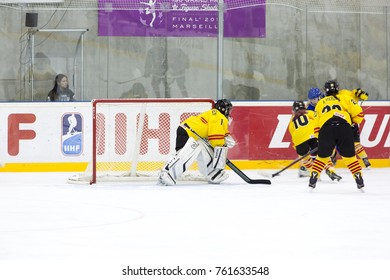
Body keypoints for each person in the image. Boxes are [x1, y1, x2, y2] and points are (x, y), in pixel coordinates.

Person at [158, 99, 236, 186]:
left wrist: (224, 137)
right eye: (228, 109)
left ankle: (213, 173)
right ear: (223, 109)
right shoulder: (219, 117)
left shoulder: (213, 114)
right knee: (186, 154)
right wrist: (221, 147)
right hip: (190, 133)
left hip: (187, 130)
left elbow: (215, 132)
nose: (229, 112)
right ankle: (167, 173)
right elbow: (215, 137)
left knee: (201, 148)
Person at [309, 80, 365, 189]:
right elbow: (359, 114)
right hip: (344, 127)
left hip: (326, 128)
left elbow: (316, 124)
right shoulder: (346, 98)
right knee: (350, 158)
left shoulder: (320, 103)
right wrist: (353, 121)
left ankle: (314, 176)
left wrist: (318, 138)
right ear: (337, 89)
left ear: (325, 91)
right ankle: (358, 177)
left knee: (322, 157)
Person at [289, 100, 341, 181]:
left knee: (305, 158)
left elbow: (293, 135)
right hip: (314, 135)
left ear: (293, 110)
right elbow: (319, 122)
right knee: (323, 155)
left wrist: (300, 151)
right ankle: (330, 170)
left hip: (299, 141)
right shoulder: (310, 112)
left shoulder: (291, 121)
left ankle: (314, 172)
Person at [337, 86, 371, 168]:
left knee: (335, 142)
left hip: (343, 123)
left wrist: (360, 93)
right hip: (347, 122)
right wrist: (360, 93)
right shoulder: (342, 93)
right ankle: (364, 158)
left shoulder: (342, 93)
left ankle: (364, 158)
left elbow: (355, 91)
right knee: (353, 143)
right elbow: (355, 92)